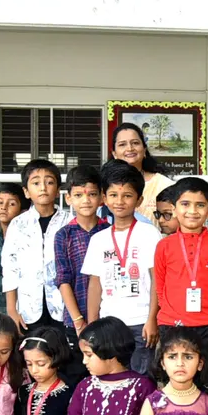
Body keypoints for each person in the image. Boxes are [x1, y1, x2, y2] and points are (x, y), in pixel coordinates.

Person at [84, 160, 162, 374]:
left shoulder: (149, 234)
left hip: (141, 324)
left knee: (141, 379)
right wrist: (93, 325)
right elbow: (95, 284)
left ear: (139, 200)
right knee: (111, 377)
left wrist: (152, 319)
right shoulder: (98, 240)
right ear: (104, 198)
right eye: (114, 195)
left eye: (127, 195)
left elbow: (157, 279)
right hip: (110, 325)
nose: (120, 201)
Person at [153, 177, 208, 376]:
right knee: (175, 377)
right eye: (185, 204)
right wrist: (173, 311)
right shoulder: (164, 245)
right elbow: (160, 284)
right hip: (172, 324)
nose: (192, 211)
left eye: (200, 205)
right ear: (174, 208)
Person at [3, 159, 71, 331]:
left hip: (63, 306)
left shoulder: (69, 222)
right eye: (36, 183)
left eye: (49, 182)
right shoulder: (18, 224)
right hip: (28, 309)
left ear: (57, 191)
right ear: (26, 191)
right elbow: (10, 268)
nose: (43, 187)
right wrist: (12, 309)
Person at [56, 164, 108, 342]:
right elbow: (63, 280)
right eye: (78, 195)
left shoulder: (109, 232)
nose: (86, 200)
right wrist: (78, 322)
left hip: (108, 316)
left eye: (92, 194)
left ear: (102, 197)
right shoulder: (64, 235)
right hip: (75, 319)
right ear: (68, 198)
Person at [112, 122, 175, 216]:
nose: (129, 148)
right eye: (122, 144)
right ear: (114, 154)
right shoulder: (105, 185)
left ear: (144, 150)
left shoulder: (163, 185)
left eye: (135, 143)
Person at [0, 183, 29, 316]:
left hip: (22, 312)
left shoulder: (27, 242)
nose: (3, 207)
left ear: (23, 210)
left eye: (11, 204)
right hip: (0, 310)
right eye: (0, 202)